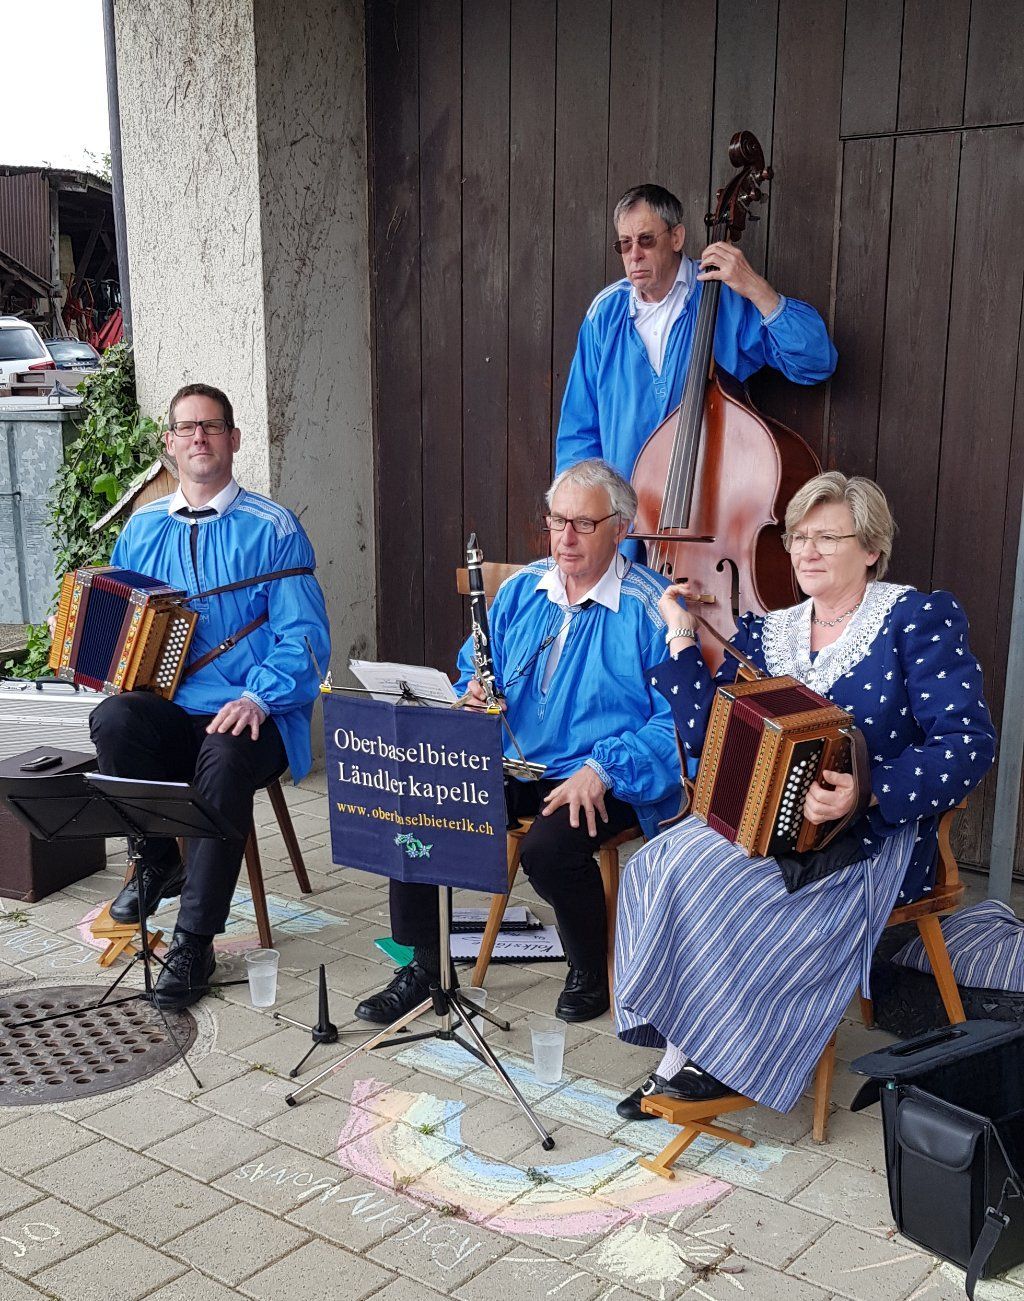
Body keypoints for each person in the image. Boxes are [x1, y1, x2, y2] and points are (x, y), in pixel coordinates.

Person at [612, 471, 995, 1118]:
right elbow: (710, 737)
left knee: (721, 886)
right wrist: (680, 634)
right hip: (774, 828)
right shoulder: (769, 632)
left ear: (871, 548)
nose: (806, 551)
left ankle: (715, 1061)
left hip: (872, 839)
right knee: (660, 861)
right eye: (797, 537)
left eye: (828, 537)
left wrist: (866, 791)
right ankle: (686, 1048)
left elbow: (968, 742)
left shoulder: (913, 619)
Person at [355, 459, 682, 1025]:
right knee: (417, 808)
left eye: (583, 524)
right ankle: (425, 966)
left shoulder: (651, 610)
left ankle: (590, 967)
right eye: (557, 521)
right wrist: (471, 696)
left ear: (621, 530)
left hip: (605, 773)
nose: (566, 538)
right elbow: (473, 669)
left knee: (548, 849)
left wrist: (604, 769)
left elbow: (677, 724)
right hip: (515, 760)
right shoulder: (521, 592)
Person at [89, 383, 330, 1010]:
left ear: (234, 440)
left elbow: (305, 639)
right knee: (114, 720)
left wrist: (258, 697)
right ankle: (156, 858)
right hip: (175, 711)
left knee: (222, 756)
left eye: (213, 426)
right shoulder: (140, 530)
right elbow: (124, 625)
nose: (199, 436)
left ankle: (194, 943)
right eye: (187, 427)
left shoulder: (274, 529)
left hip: (256, 714)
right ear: (170, 444)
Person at [555, 183, 838, 483]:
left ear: (676, 237)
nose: (634, 254)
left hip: (708, 499)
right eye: (625, 244)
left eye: (646, 240)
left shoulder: (724, 296)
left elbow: (815, 362)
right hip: (626, 506)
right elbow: (579, 428)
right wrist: (584, 504)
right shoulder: (605, 313)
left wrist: (756, 288)